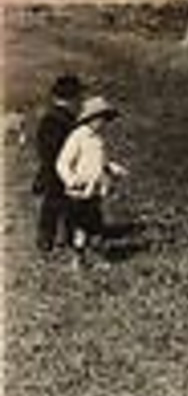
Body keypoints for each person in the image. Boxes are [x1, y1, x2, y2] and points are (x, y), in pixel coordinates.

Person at [55, 95, 127, 268]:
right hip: (79, 191)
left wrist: (113, 168)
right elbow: (62, 162)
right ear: (92, 118)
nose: (103, 123)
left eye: (105, 120)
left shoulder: (98, 139)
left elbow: (101, 162)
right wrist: (71, 180)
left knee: (93, 225)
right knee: (82, 226)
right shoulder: (78, 137)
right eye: (101, 119)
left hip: (94, 190)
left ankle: (91, 257)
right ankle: (79, 259)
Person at [32, 74, 84, 253]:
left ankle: (49, 239)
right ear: (73, 98)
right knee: (60, 205)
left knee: (53, 206)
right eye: (78, 98)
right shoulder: (61, 120)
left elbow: (44, 148)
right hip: (59, 170)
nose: (80, 103)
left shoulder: (51, 118)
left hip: (51, 169)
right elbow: (56, 149)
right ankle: (54, 240)